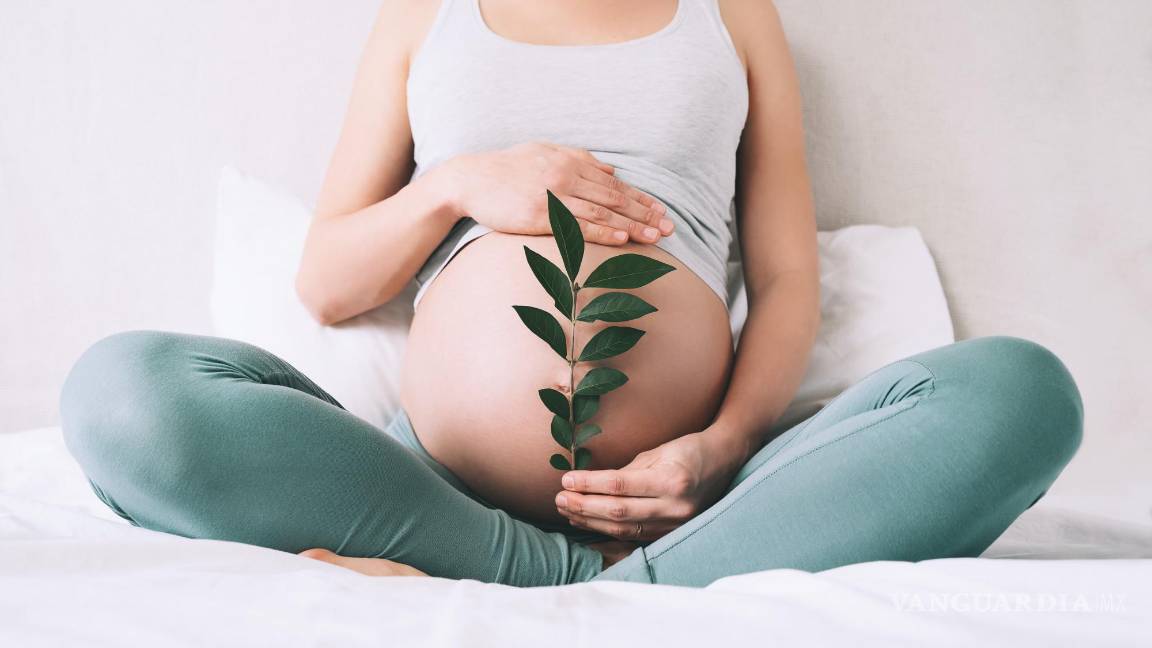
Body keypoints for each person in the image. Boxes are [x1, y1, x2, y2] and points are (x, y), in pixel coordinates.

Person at [60, 0, 1083, 588]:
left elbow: (782, 280)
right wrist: (461, 184)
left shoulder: (734, 13)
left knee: (1023, 391)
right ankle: (562, 579)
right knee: (119, 393)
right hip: (434, 494)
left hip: (697, 500)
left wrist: (719, 449)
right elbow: (327, 282)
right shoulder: (427, 14)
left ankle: (641, 574)